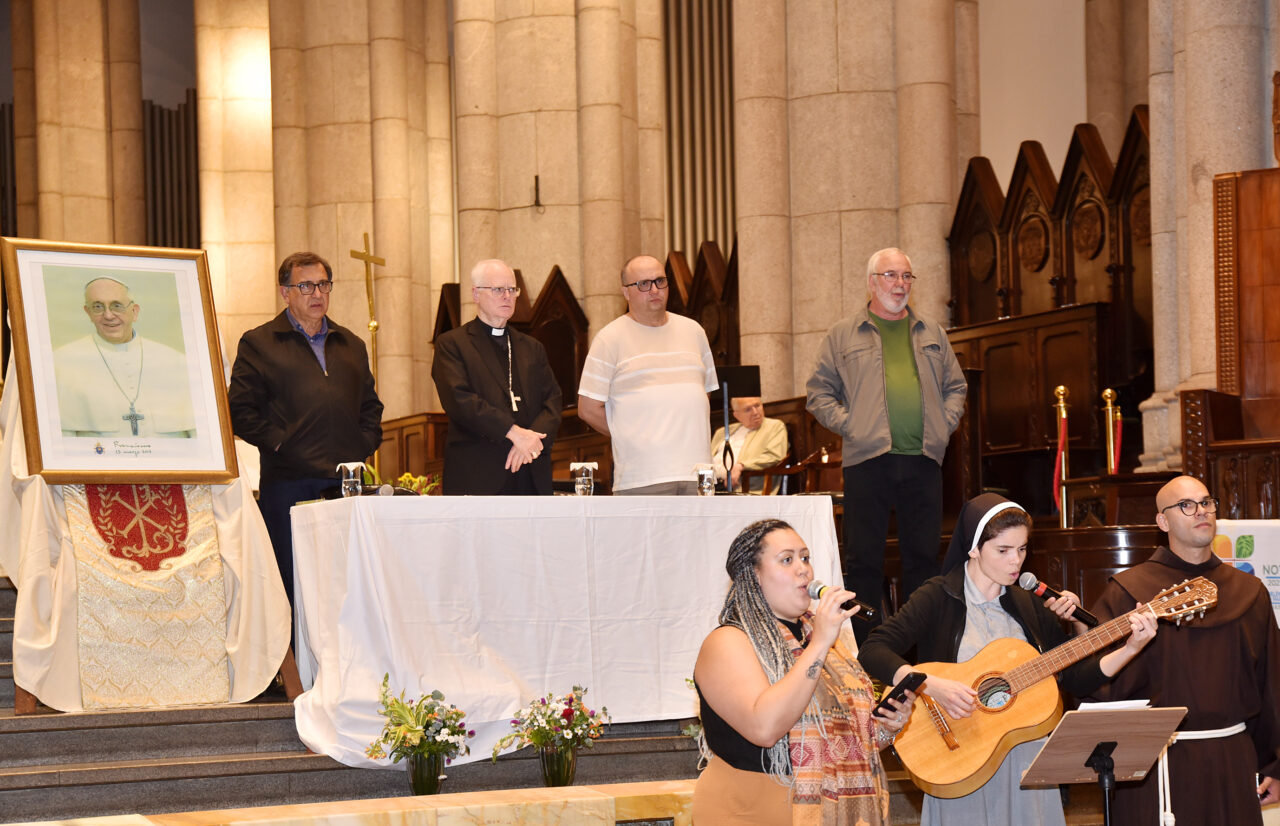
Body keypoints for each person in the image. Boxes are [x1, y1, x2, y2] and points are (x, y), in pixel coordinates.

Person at [858, 493, 1157, 826]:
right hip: (958, 755)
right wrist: (930, 684)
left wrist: (1130, 648)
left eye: (1022, 549)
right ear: (974, 548)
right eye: (1003, 551)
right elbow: (873, 649)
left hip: (1026, 763)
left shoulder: (1028, 603)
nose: (1016, 562)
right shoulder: (938, 596)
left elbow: (1073, 677)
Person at [1086, 474, 1280, 825]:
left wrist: (1276, 764)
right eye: (1186, 505)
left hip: (1230, 760)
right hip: (1153, 766)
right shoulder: (1128, 592)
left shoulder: (1249, 592)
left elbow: (1272, 683)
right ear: (1162, 521)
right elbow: (1096, 680)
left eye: (1206, 503)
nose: (1201, 512)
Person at [693, 518, 912, 825]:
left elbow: (848, 743)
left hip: (829, 809)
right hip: (748, 810)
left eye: (805, 558)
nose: (804, 569)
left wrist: (888, 726)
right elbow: (765, 728)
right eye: (787, 560)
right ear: (753, 576)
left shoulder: (823, 643)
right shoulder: (728, 641)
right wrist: (820, 645)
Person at [806, 247, 967, 634]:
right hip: (868, 459)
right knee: (863, 560)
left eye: (906, 276)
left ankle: (921, 643)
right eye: (891, 275)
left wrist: (943, 425)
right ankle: (866, 648)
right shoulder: (843, 334)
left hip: (923, 459)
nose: (900, 284)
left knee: (924, 558)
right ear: (872, 282)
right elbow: (818, 393)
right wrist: (852, 425)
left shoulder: (933, 332)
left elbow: (956, 387)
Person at [228, 252, 384, 607]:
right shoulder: (260, 343)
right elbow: (240, 409)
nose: (317, 294)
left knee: (344, 584)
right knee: (292, 585)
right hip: (289, 485)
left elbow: (371, 407)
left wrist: (361, 445)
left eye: (323, 285)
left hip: (346, 486)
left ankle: (343, 661)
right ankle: (296, 664)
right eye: (306, 286)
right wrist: (281, 445)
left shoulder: (351, 344)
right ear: (285, 292)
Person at [577, 255, 718, 495]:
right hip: (643, 476)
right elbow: (588, 409)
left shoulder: (694, 331)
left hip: (699, 474)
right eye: (643, 284)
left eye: (660, 281)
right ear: (625, 292)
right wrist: (632, 437)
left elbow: (703, 394)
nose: (654, 290)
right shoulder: (610, 338)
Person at [431, 259, 562, 495]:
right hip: (478, 474)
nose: (507, 296)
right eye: (498, 289)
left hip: (530, 471)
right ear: (476, 294)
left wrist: (530, 443)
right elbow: (460, 401)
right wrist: (513, 433)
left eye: (512, 290)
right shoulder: (452, 344)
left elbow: (553, 400)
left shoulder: (532, 347)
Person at [53, 277, 195, 438]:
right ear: (88, 313)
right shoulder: (62, 362)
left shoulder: (177, 362)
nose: (108, 315)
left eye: (117, 306)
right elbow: (61, 443)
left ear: (134, 312)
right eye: (98, 307)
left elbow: (200, 436)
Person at [710, 396, 788, 493]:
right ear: (737, 415)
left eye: (757, 405)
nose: (755, 412)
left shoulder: (775, 427)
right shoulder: (722, 432)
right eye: (748, 409)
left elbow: (774, 455)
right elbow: (706, 458)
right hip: (709, 484)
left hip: (740, 487)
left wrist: (741, 466)